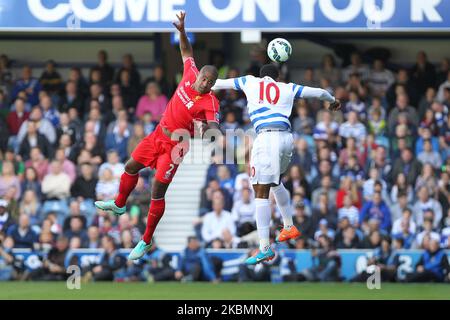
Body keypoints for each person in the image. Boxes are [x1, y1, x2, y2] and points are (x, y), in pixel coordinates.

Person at [95, 12, 221, 260]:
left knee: (156, 190)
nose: (206, 83)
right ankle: (120, 204)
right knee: (130, 166)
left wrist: (208, 129)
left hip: (177, 146)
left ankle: (146, 240)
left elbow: (214, 126)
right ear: (198, 75)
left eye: (210, 82)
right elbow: (186, 53)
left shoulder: (210, 101)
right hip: (157, 135)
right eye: (204, 78)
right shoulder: (188, 74)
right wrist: (182, 31)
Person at [212, 59, 341, 264]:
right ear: (278, 77)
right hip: (287, 138)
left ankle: (264, 247)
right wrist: (332, 100)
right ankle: (288, 225)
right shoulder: (288, 87)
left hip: (266, 137)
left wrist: (195, 85)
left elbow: (218, 83)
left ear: (261, 75)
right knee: (276, 182)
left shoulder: (249, 81)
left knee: (260, 191)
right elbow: (318, 92)